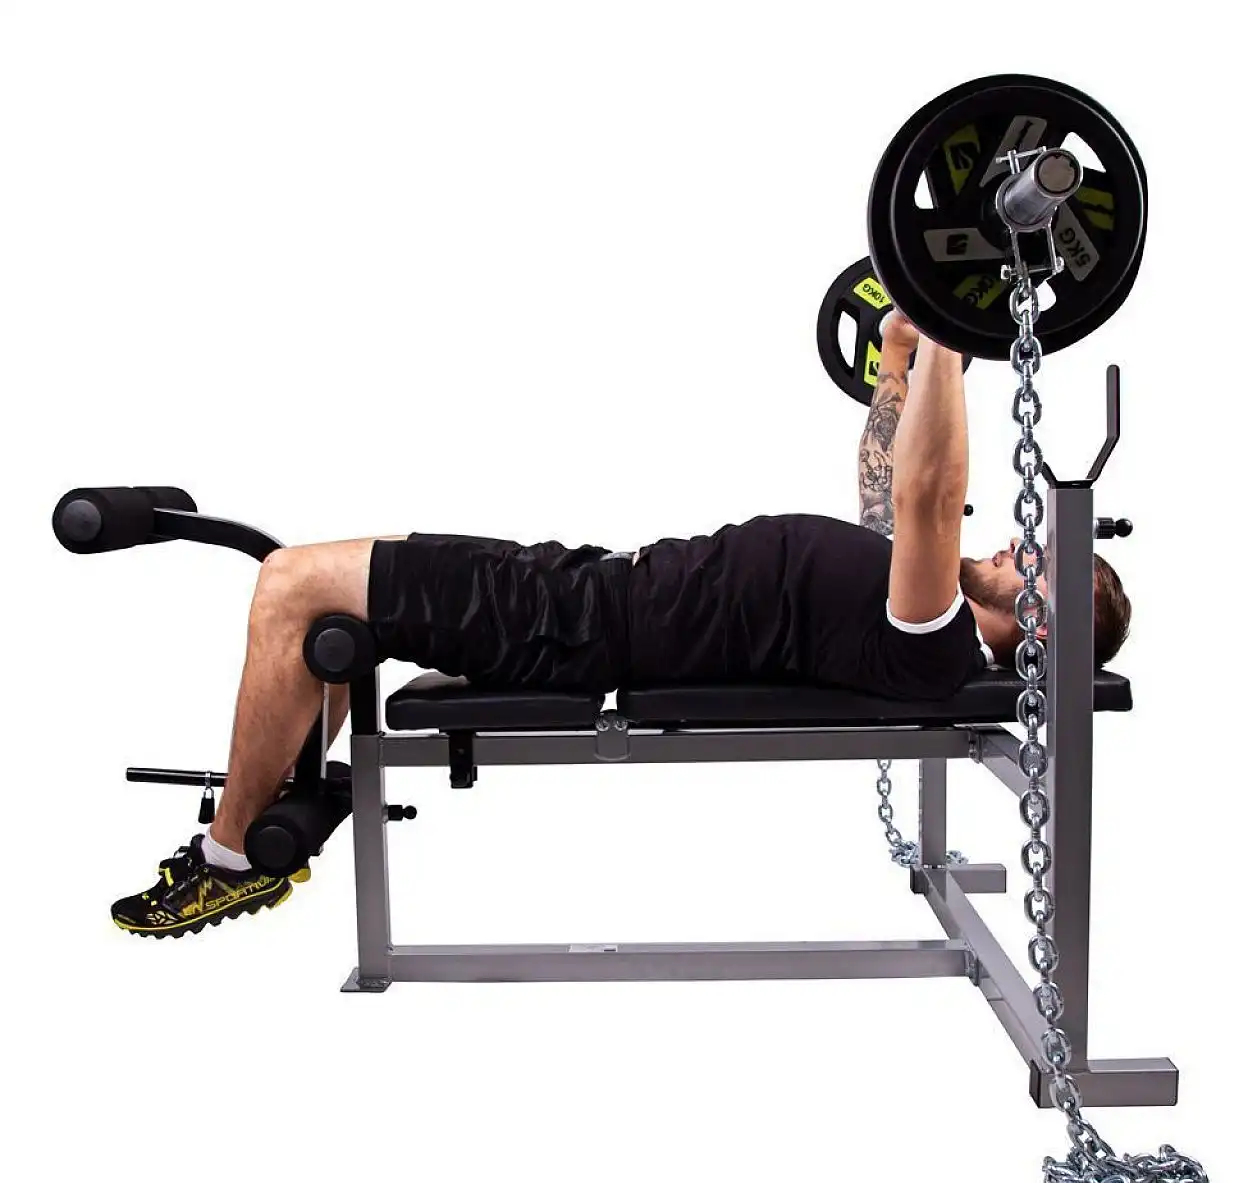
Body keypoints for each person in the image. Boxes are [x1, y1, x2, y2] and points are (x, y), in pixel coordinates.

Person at [111, 314, 1131, 938]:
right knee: (323, 597)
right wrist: (897, 357)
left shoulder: (935, 642)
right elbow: (886, 485)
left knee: (292, 581)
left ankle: (231, 858)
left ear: (1040, 631)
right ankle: (274, 800)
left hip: (571, 628)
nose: (1018, 543)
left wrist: (952, 328)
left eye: (1041, 564)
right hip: (583, 591)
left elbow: (927, 490)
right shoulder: (925, 597)